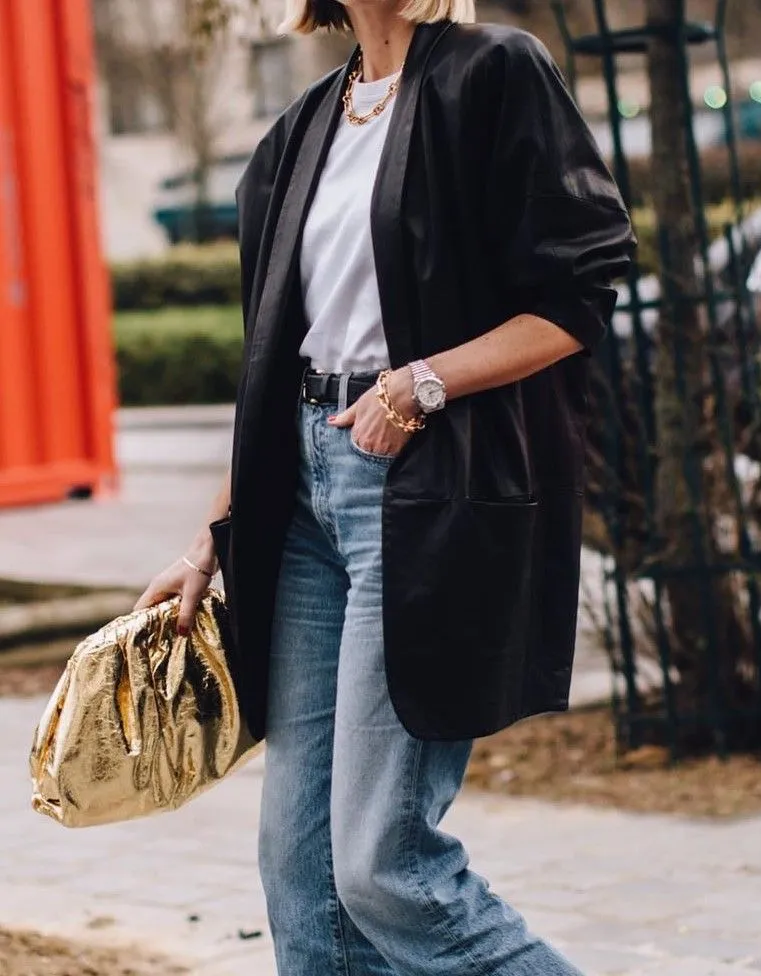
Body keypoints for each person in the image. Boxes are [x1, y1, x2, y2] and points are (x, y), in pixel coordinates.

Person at [136, 0, 635, 971]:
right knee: (301, 873)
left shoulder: (492, 72)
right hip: (302, 502)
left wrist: (424, 380)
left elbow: (580, 291)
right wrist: (211, 537)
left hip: (419, 493)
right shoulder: (308, 122)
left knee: (382, 868)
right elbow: (272, 362)